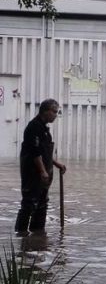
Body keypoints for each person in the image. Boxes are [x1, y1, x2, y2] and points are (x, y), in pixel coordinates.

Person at [15, 99, 66, 233]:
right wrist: (43, 171)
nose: (56, 115)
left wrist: (56, 164)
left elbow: (45, 153)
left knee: (42, 204)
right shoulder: (33, 127)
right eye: (54, 112)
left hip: (43, 174)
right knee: (29, 203)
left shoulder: (44, 129)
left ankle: (38, 234)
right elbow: (35, 152)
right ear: (45, 111)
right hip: (33, 173)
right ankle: (21, 234)